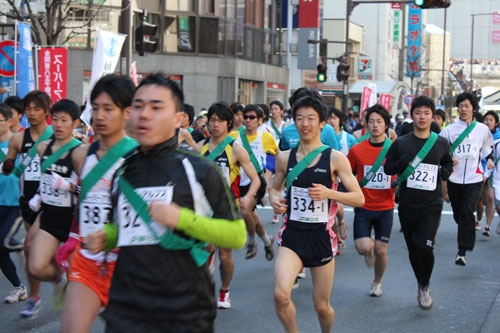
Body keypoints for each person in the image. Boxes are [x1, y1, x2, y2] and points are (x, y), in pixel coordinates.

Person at [85, 73, 246, 332]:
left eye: (156, 107)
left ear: (178, 118)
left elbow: (237, 235)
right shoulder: (122, 172)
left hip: (185, 311)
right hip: (125, 310)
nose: (144, 114)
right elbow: (132, 230)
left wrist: (181, 219)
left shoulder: (200, 169)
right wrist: (108, 236)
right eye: (138, 106)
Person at [270, 95, 364, 332]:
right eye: (300, 118)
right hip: (291, 236)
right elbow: (275, 188)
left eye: (311, 118)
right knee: (281, 296)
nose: (305, 123)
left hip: (321, 237)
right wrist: (274, 200)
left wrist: (330, 194)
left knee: (321, 306)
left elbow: (359, 198)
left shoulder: (335, 158)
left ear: (322, 123)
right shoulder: (284, 158)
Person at [59, 74, 138, 333]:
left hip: (129, 268)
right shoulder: (82, 154)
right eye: (95, 108)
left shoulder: (140, 158)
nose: (99, 116)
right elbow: (82, 202)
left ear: (127, 112)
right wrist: (72, 238)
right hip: (87, 261)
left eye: (108, 109)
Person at [384, 95, 453, 310]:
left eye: (426, 113)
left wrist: (445, 172)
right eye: (418, 112)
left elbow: (448, 163)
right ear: (411, 115)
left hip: (432, 204)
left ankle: (425, 285)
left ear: (433, 116)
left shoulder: (440, 142)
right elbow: (388, 169)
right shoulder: (401, 143)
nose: (422, 117)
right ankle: (420, 282)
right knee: (413, 248)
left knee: (425, 245)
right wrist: (401, 163)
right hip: (407, 204)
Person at [195, 102, 260, 309]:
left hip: (226, 207)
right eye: (212, 120)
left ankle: (224, 290)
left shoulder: (236, 149)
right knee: (205, 248)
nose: (215, 125)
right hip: (204, 207)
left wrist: (249, 196)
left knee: (225, 256)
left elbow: (255, 179)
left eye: (220, 121)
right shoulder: (200, 147)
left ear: (228, 124)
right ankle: (204, 288)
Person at [27, 99, 84, 311]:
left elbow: (90, 192)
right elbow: (46, 179)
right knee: (36, 267)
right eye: (55, 119)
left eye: (64, 120)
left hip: (73, 222)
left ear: (75, 123)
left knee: (76, 289)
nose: (58, 124)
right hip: (50, 215)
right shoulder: (43, 148)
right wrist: (39, 196)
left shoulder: (81, 152)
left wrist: (70, 188)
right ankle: (58, 277)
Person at [2, 90, 53, 318]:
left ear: (46, 112)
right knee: (34, 253)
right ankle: (34, 297)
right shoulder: (18, 139)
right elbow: (9, 166)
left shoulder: (55, 136)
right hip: (26, 202)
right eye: (28, 109)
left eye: (37, 109)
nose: (31, 113)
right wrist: (9, 164)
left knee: (30, 246)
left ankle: (46, 287)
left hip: (50, 203)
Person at [439, 92, 494, 266]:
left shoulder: (482, 129)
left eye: (467, 106)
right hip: (454, 179)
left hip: (474, 178)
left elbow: (486, 148)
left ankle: (462, 250)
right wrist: (449, 158)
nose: (463, 109)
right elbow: (441, 152)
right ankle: (466, 231)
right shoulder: (449, 130)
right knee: (458, 213)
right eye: (461, 106)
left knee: (466, 210)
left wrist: (490, 159)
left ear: (474, 108)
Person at [348, 104, 396, 297]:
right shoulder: (357, 149)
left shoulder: (395, 149)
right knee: (363, 247)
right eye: (371, 122)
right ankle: (368, 249)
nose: (375, 125)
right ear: (366, 125)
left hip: (386, 206)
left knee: (381, 249)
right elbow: (347, 173)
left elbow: (402, 173)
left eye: (379, 122)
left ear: (386, 125)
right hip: (363, 206)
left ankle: (377, 282)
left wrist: (397, 184)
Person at [230, 104, 277, 260]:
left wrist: (273, 183)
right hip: (238, 182)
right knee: (253, 216)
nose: (247, 120)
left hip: (257, 181)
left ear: (260, 120)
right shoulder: (234, 136)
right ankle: (266, 240)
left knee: (245, 210)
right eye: (245, 117)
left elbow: (277, 159)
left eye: (252, 117)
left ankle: (251, 242)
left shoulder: (266, 137)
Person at [0, 104, 26, 304]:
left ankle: (24, 246)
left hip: (15, 204)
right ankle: (19, 287)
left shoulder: (19, 144)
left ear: (9, 121)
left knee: (3, 242)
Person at [327, 107, 357, 253]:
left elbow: (357, 158)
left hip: (344, 177)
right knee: (331, 208)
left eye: (335, 118)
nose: (332, 121)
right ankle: (337, 239)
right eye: (329, 118)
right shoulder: (323, 135)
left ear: (340, 120)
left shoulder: (349, 138)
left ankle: (342, 220)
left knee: (336, 207)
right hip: (330, 177)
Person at [475, 111, 500, 236]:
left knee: (491, 198)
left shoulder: (498, 137)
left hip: (492, 171)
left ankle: (487, 226)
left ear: (496, 123)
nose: (488, 122)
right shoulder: (479, 134)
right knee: (480, 201)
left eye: (491, 120)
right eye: (486, 119)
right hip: (478, 170)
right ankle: (478, 219)